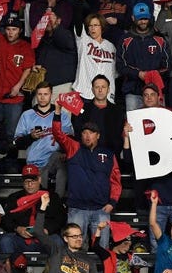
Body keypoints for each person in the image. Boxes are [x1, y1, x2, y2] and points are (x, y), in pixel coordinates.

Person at [51, 99, 122, 250]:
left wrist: (112, 202)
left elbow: (115, 180)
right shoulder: (74, 148)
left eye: (91, 133)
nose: (87, 136)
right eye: (84, 133)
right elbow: (58, 133)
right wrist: (57, 112)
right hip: (77, 208)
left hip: (101, 209)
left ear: (98, 135)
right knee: (75, 250)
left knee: (102, 249)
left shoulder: (108, 154)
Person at [35, 195, 101, 273]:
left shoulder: (89, 261)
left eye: (80, 236)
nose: (79, 239)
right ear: (66, 238)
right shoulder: (56, 251)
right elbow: (38, 232)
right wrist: (43, 207)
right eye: (74, 236)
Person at [14, 82, 73, 198]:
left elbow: (70, 140)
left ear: (51, 94)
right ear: (36, 95)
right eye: (39, 94)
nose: (42, 97)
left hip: (55, 160)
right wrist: (31, 137)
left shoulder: (62, 115)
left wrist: (63, 151)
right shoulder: (27, 115)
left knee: (59, 159)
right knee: (40, 197)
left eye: (45, 94)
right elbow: (17, 143)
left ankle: (58, 200)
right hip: (35, 163)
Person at [117, 3, 171, 111]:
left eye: (145, 18)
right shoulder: (125, 39)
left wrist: (151, 75)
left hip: (155, 92)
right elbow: (120, 66)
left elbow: (167, 66)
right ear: (133, 18)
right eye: (140, 18)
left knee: (158, 124)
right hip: (133, 91)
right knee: (134, 126)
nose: (143, 21)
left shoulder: (160, 39)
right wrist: (139, 74)